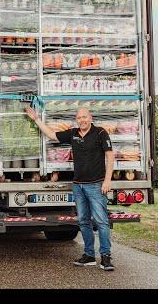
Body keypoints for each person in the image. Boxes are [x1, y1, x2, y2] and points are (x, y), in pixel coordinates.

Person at [25, 105, 115, 271]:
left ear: (91, 118)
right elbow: (52, 135)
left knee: (101, 221)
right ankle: (89, 255)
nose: (82, 120)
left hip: (96, 185)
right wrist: (36, 119)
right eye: (79, 118)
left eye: (84, 117)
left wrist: (107, 180)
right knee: (83, 221)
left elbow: (110, 156)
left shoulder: (100, 133)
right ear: (77, 120)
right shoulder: (73, 134)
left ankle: (106, 257)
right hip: (78, 186)